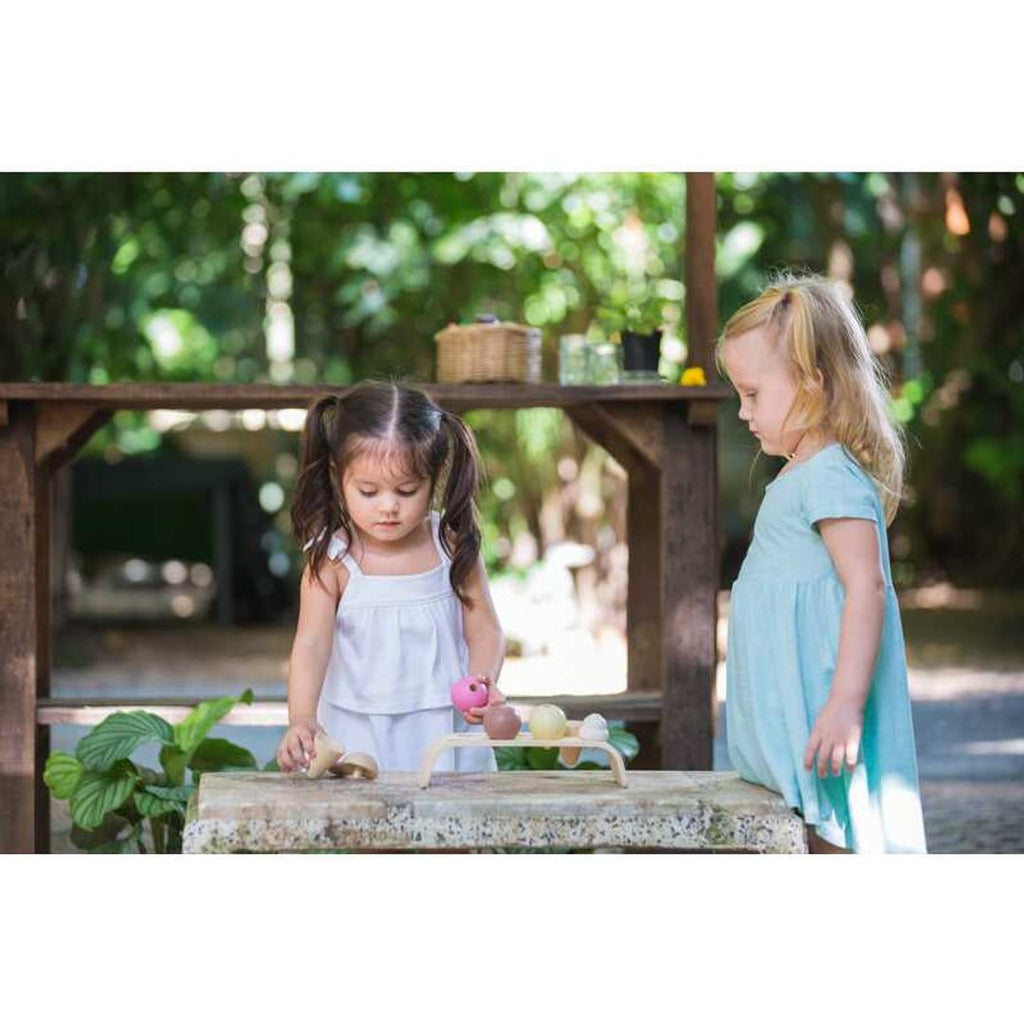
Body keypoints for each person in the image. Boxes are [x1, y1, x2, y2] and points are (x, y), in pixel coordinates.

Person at [718, 274, 927, 853]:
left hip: (823, 719)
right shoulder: (800, 474)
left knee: (834, 840)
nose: (742, 412)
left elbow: (868, 589)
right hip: (799, 724)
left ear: (813, 385)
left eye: (753, 394)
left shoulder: (831, 475)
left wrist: (844, 706)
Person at [276, 381, 506, 775]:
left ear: (434, 479)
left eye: (406, 490)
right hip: (356, 726)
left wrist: (481, 683)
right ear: (339, 477)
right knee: (364, 827)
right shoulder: (332, 559)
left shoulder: (450, 548)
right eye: (368, 491)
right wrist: (301, 717)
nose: (387, 507)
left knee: (453, 827)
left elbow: (485, 628)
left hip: (443, 725)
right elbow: (311, 643)